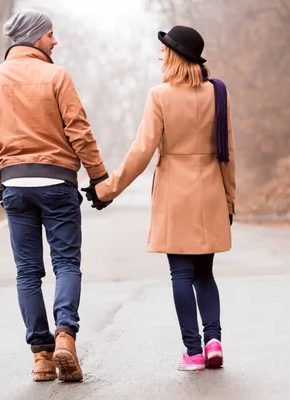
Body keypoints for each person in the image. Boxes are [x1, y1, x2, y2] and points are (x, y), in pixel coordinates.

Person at [0, 9, 111, 382]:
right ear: (34, 38)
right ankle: (65, 335)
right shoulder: (56, 76)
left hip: (15, 186)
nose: (55, 41)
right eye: (50, 35)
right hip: (57, 183)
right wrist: (99, 177)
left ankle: (41, 357)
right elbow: (79, 130)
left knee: (27, 272)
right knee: (66, 263)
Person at [82, 25, 236, 371]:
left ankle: (193, 352)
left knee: (180, 274)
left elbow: (141, 151)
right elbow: (229, 154)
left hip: (174, 195)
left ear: (176, 57)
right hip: (210, 190)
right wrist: (229, 199)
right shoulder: (218, 94)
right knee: (204, 274)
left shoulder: (160, 96)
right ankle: (214, 342)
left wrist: (107, 189)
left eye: (164, 51)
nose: (160, 56)